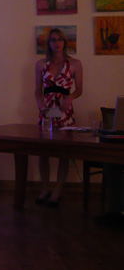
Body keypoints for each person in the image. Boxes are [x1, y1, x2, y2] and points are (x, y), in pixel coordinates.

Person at [34, 28, 82, 206]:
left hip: (65, 111)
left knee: (63, 152)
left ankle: (58, 191)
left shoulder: (75, 63)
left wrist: (70, 98)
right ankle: (45, 188)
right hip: (46, 111)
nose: (57, 43)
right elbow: (37, 90)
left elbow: (79, 89)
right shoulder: (41, 64)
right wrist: (40, 104)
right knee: (43, 152)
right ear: (49, 43)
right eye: (53, 40)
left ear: (65, 42)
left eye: (60, 39)